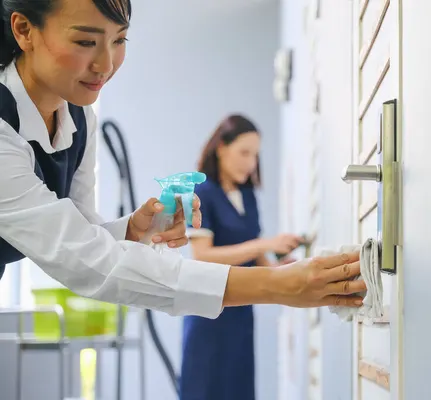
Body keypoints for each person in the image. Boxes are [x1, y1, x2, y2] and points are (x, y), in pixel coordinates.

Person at [0, 0, 366, 321]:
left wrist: (132, 231)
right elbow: (86, 260)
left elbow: (79, 230)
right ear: (24, 30)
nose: (106, 64)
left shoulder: (79, 118)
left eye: (119, 40)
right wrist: (276, 285)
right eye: (85, 42)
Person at [180, 115, 303, 400]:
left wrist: (281, 268)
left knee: (239, 388)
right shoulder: (201, 193)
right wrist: (264, 242)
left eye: (255, 155)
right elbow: (202, 255)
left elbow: (259, 262)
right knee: (205, 389)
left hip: (241, 315)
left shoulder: (248, 196)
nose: (250, 163)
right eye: (244, 153)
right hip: (208, 313)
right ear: (222, 148)